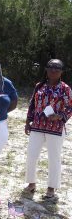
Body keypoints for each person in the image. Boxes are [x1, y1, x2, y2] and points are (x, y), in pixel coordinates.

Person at [24, 59, 72, 200]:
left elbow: (70, 106)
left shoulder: (65, 88)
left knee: (54, 158)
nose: (53, 70)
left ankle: (51, 188)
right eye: (51, 67)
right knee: (31, 155)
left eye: (57, 68)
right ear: (46, 69)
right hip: (37, 126)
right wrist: (28, 121)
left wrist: (60, 116)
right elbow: (32, 103)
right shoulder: (40, 86)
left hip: (55, 128)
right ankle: (31, 183)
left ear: (61, 72)